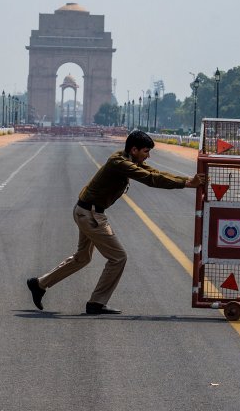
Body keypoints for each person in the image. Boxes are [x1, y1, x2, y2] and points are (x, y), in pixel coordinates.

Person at [27, 130, 206, 314]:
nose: (148, 156)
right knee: (118, 257)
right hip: (91, 215)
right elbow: (151, 179)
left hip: (86, 212)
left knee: (83, 258)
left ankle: (39, 284)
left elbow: (154, 172)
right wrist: (187, 184)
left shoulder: (128, 160)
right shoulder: (119, 162)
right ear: (134, 150)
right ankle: (96, 303)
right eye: (146, 151)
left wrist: (186, 180)